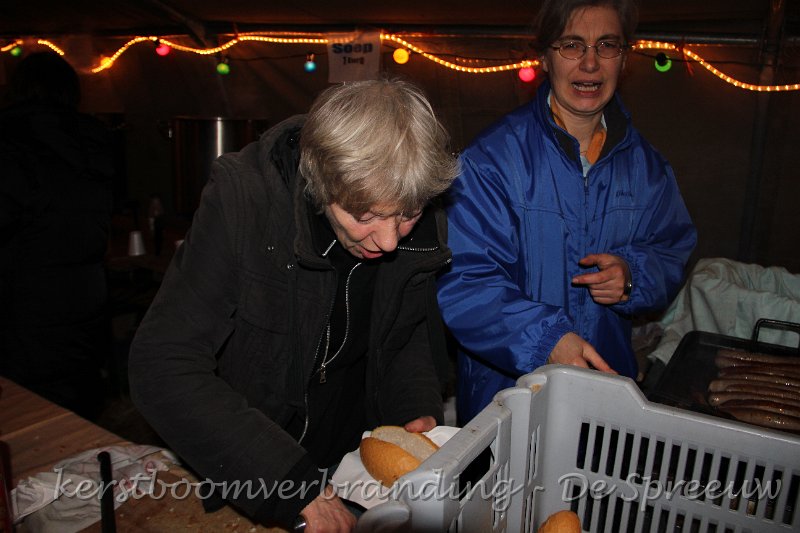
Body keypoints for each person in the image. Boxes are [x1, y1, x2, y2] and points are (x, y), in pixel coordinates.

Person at [128, 78, 459, 532]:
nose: (388, 241)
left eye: (406, 214)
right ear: (320, 182)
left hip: (350, 465)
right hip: (253, 462)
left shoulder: (415, 206)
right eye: (364, 216)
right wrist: (290, 483)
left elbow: (404, 336)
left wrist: (414, 409)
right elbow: (163, 363)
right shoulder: (244, 199)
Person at [437, 0, 697, 424]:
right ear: (544, 56)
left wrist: (634, 275)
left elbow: (672, 249)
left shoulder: (648, 169)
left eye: (607, 45)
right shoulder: (492, 160)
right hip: (505, 400)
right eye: (572, 45)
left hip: (605, 392)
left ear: (624, 58)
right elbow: (464, 283)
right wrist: (547, 338)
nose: (590, 63)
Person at [0, 52, 114, 420]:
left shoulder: (11, 143)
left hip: (25, 307)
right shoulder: (95, 141)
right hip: (86, 298)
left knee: (27, 420)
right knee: (77, 412)